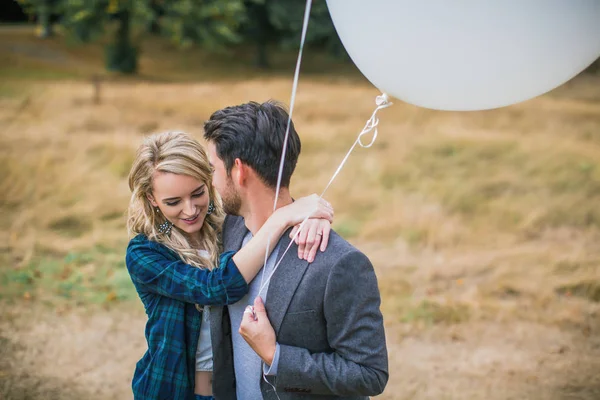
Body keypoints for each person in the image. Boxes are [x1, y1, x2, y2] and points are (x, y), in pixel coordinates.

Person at [125, 131, 333, 400]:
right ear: (152, 199)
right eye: (173, 202)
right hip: (173, 391)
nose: (190, 210)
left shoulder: (230, 226)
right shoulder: (145, 253)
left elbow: (267, 212)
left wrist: (312, 217)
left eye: (198, 193)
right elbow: (216, 286)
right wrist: (284, 217)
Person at [205, 100, 389, 399]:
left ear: (238, 171)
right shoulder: (227, 230)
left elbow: (370, 374)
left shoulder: (338, 263)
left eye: (212, 168)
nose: (210, 181)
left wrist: (275, 355)